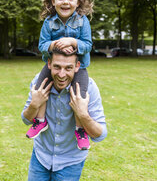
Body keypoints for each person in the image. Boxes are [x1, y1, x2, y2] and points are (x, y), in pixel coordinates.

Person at [26, 0, 97, 151]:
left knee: (79, 95)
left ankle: (80, 130)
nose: (66, 2)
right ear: (53, 1)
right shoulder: (49, 23)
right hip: (53, 66)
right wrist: (53, 44)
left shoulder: (82, 22)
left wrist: (72, 42)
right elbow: (42, 45)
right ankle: (40, 121)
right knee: (40, 88)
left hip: (77, 68)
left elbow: (87, 45)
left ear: (78, 2)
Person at [21, 48, 107, 180]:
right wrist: (34, 105)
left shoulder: (88, 88)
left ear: (77, 66)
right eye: (57, 67)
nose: (61, 75)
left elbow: (100, 135)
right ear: (49, 63)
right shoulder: (40, 82)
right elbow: (26, 120)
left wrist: (82, 114)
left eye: (68, 68)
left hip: (70, 162)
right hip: (40, 157)